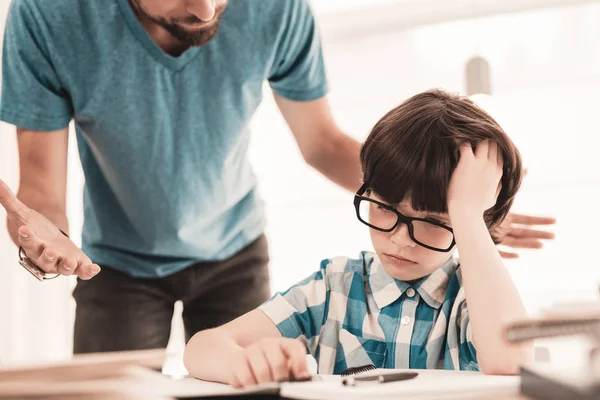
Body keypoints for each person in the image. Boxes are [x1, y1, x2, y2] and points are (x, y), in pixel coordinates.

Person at [0, 0, 553, 354]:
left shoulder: (277, 8)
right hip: (113, 264)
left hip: (235, 250)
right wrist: (45, 241)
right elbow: (42, 189)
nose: (209, 7)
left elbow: (323, 144)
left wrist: (442, 211)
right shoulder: (48, 18)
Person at [184, 89, 534, 386]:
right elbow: (202, 347)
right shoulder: (333, 287)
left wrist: (468, 214)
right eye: (384, 208)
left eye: (432, 220)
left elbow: (511, 360)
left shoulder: (473, 303)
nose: (400, 239)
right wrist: (246, 363)